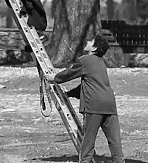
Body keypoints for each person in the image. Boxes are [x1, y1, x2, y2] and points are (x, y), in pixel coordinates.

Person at [45, 35, 124, 163]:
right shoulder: (100, 63)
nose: (87, 41)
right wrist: (70, 93)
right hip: (110, 105)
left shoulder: (85, 60)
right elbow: (88, 85)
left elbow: (68, 74)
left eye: (91, 41)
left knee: (88, 140)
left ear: (94, 48)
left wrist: (54, 78)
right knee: (114, 141)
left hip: (94, 106)